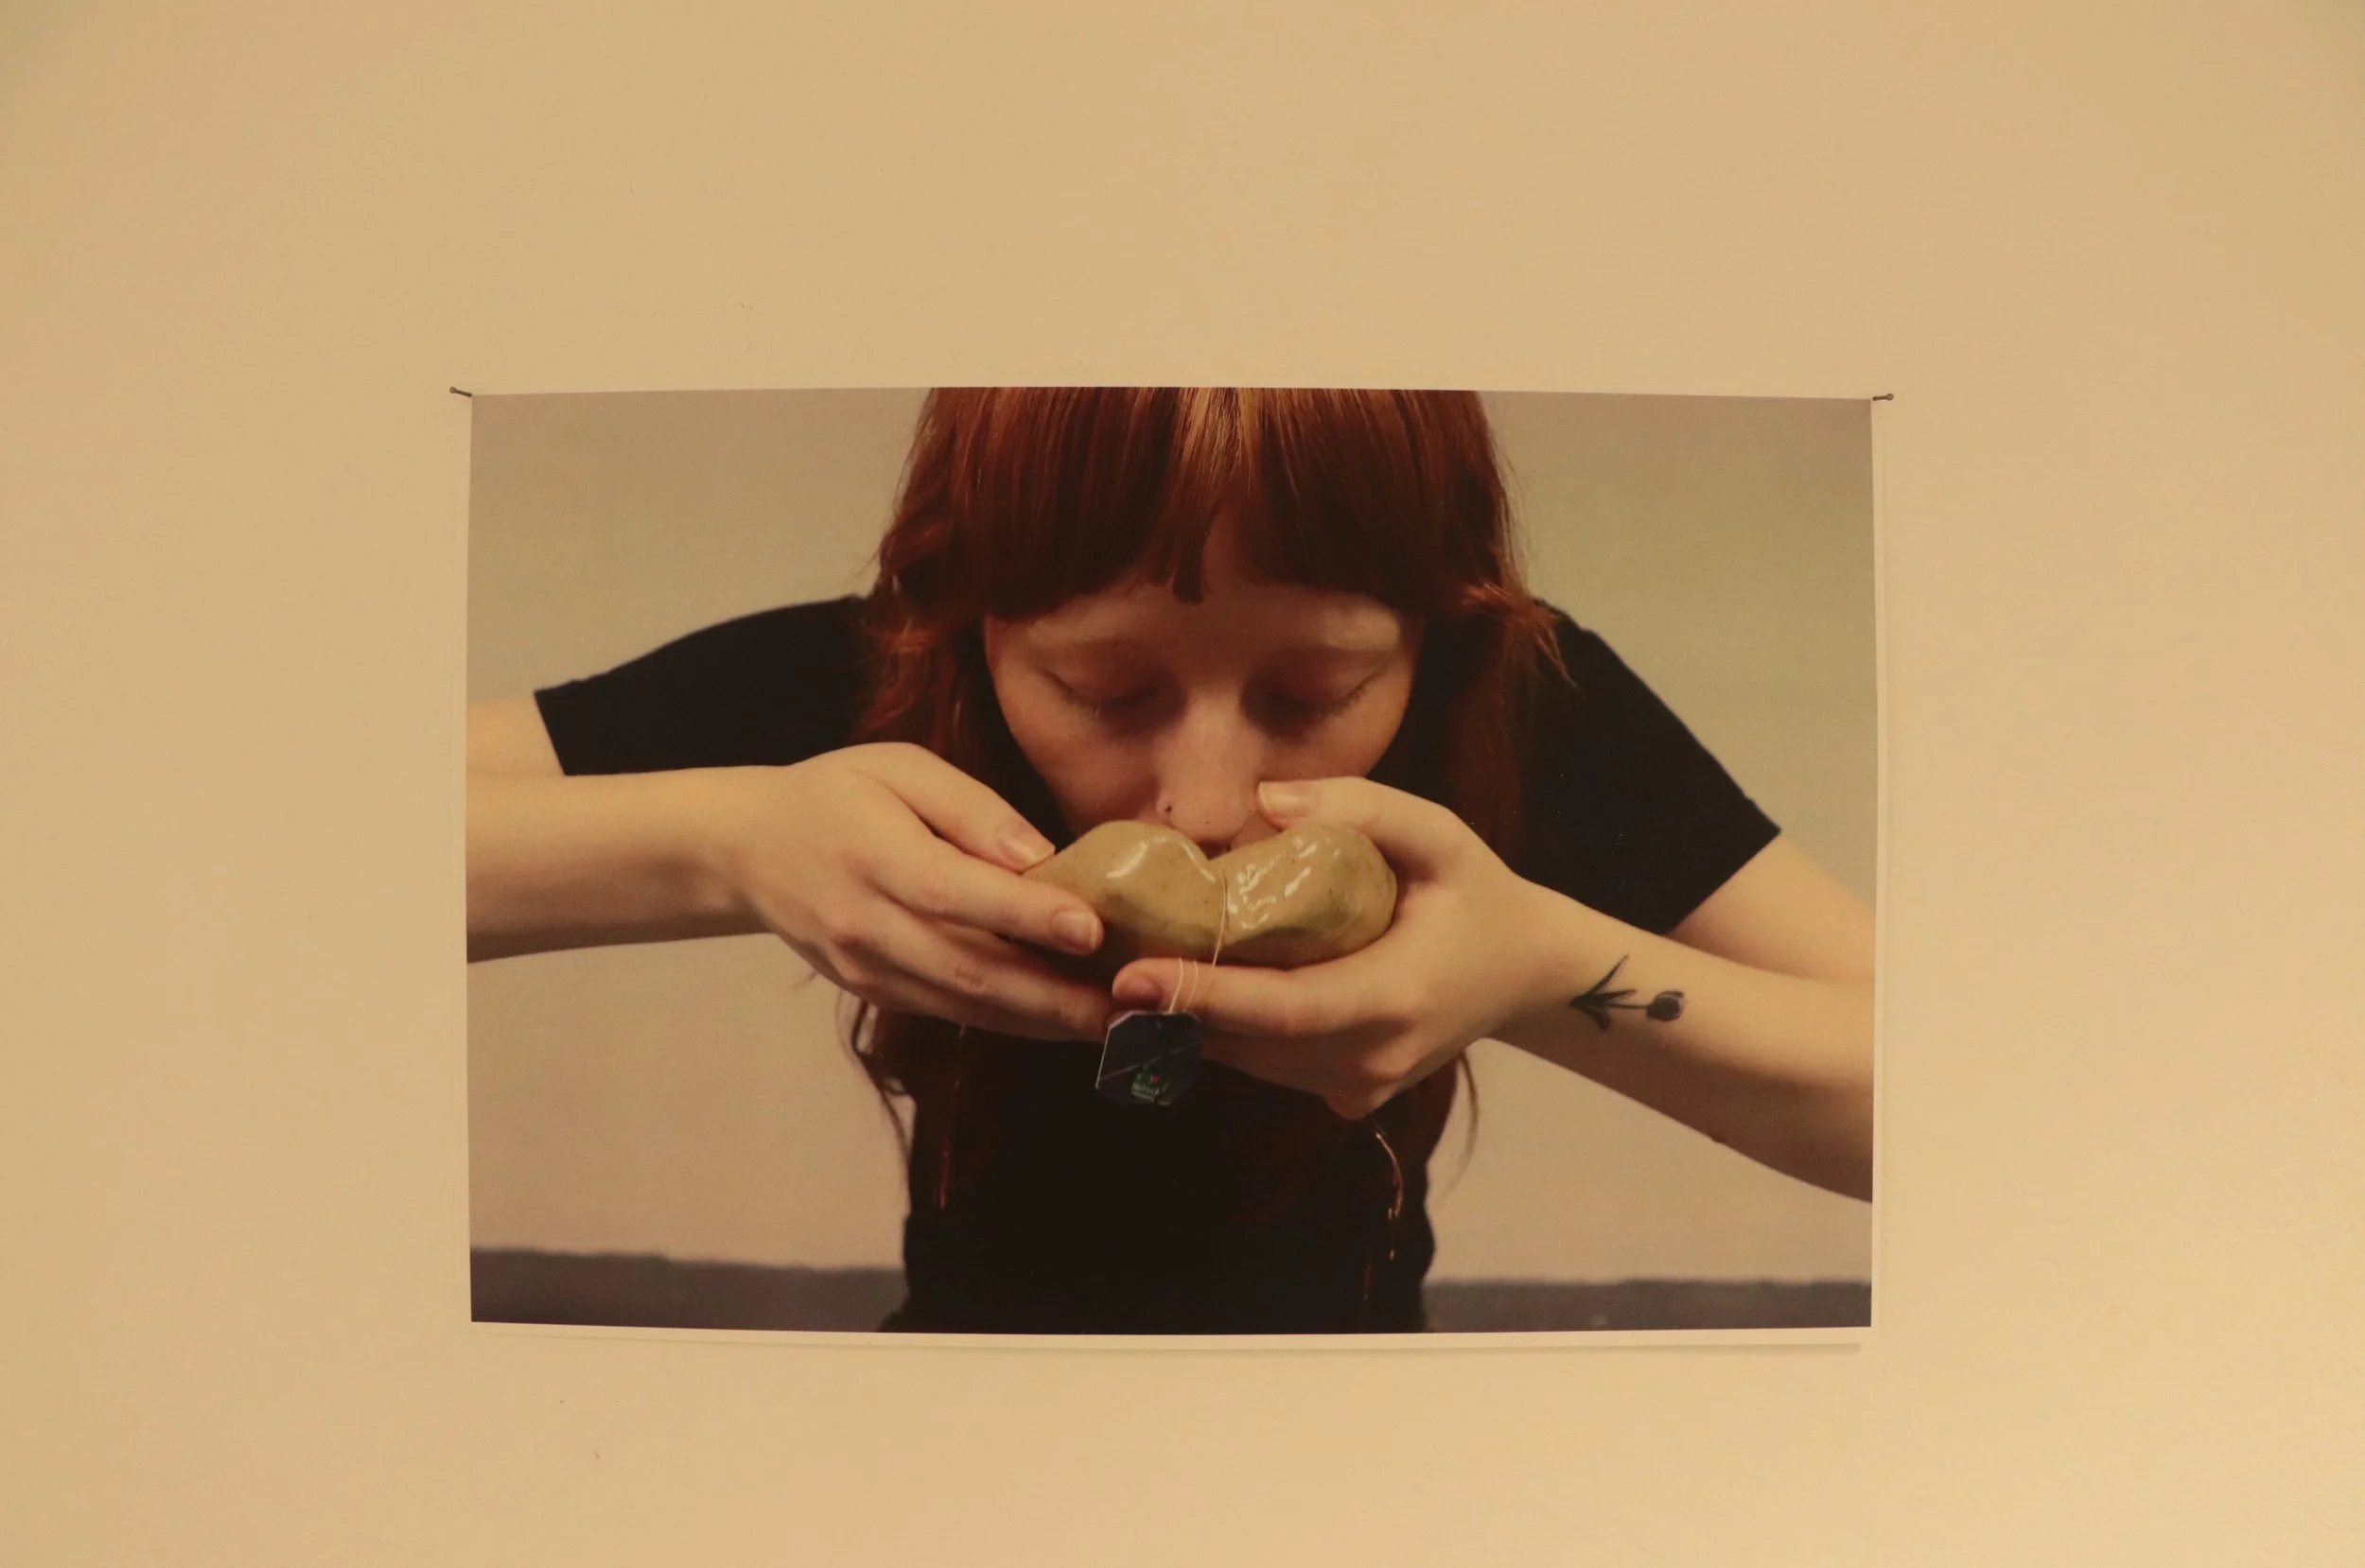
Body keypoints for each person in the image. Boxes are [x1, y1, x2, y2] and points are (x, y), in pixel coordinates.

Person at [467, 387, 1874, 1334]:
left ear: (1435, 627)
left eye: (1313, 692)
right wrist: (725, 844)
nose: (1204, 800)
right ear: (969, 614)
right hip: (952, 1437)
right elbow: (293, 835)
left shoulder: (1517, 696)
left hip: (1357, 1451)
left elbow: (1938, 1108)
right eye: (1104, 691)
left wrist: (1546, 972)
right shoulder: (873, 674)